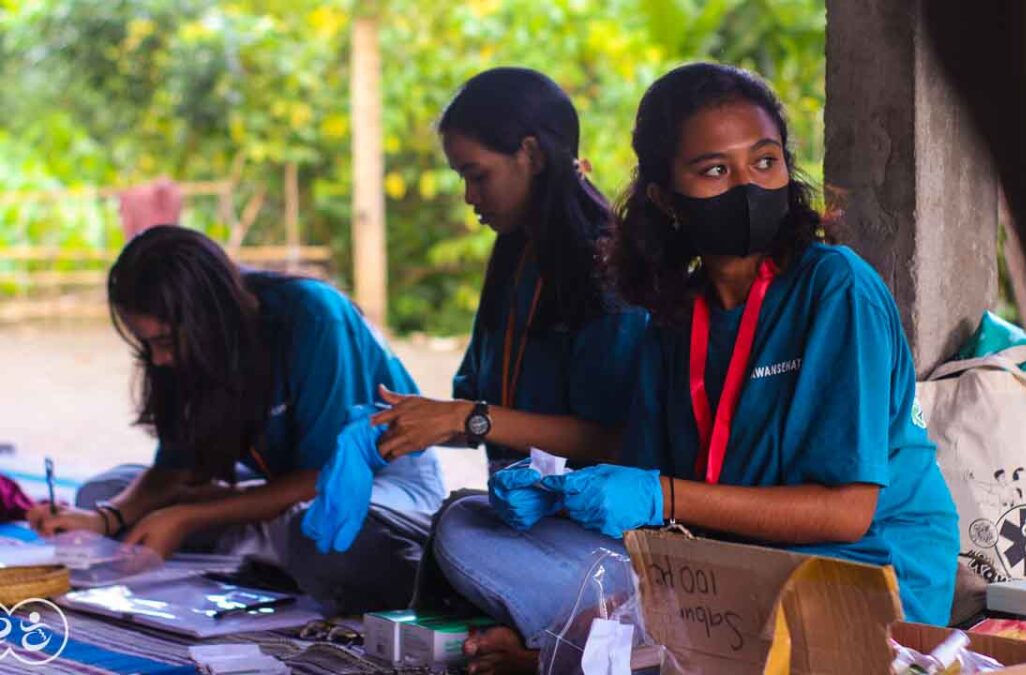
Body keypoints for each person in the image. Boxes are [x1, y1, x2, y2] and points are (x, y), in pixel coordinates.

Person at [430, 63, 960, 673]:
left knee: (623, 640)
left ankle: (573, 654)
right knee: (467, 524)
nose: (748, 186)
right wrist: (559, 495)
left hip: (862, 582)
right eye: (715, 170)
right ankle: (563, 653)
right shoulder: (677, 314)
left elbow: (845, 512)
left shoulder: (836, 289)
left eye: (765, 162)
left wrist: (662, 496)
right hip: (729, 578)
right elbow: (643, 488)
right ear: (664, 197)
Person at [26, 226, 445, 613]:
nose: (159, 360)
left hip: (379, 483)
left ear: (207, 317)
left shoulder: (314, 317)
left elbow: (323, 477)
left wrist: (187, 516)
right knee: (100, 491)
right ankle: (265, 538)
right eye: (147, 345)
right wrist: (104, 517)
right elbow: (173, 470)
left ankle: (267, 539)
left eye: (166, 342)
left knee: (319, 531)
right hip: (280, 486)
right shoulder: (195, 345)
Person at [371, 67, 648, 472]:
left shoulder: (606, 265)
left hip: (591, 521)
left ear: (532, 155)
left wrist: (464, 417)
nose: (468, 195)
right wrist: (401, 422)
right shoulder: (517, 255)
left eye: (478, 175)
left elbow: (611, 438)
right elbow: (478, 411)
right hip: (520, 506)